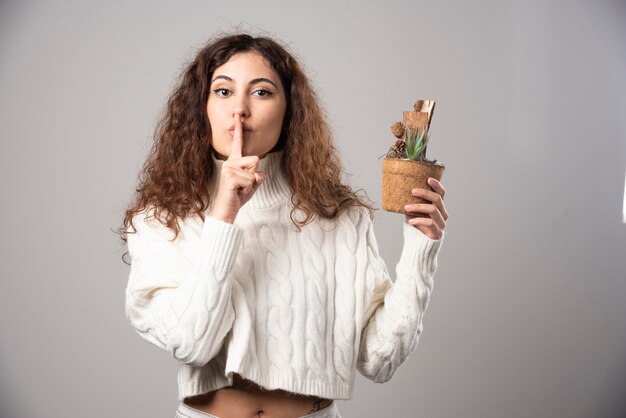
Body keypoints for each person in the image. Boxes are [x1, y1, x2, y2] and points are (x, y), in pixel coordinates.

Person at [120, 33, 448, 418]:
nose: (239, 109)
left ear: (290, 110)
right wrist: (223, 216)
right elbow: (192, 343)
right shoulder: (163, 217)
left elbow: (379, 360)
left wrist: (420, 251)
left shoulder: (338, 216)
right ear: (201, 107)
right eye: (223, 92)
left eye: (261, 92)